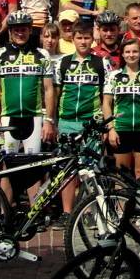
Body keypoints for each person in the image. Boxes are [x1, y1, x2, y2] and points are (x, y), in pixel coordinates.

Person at [52, 21, 110, 221]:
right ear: (73, 38)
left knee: (90, 169)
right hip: (66, 122)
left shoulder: (101, 63)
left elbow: (105, 96)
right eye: (79, 38)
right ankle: (67, 212)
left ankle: (88, 211)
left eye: (86, 38)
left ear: (92, 40)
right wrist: (53, 121)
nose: (83, 42)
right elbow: (56, 94)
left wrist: (104, 125)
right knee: (67, 170)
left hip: (90, 123)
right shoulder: (63, 62)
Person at [0, 10, 56, 155]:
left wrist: (48, 120)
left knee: (32, 162)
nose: (20, 33)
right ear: (10, 31)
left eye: (23, 29)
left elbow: (49, 89)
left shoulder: (42, 54)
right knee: (8, 161)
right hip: (8, 117)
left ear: (30, 30)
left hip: (34, 117)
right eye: (16, 30)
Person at [103, 38, 140, 185]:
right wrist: (111, 129)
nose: (131, 55)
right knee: (122, 175)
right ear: (122, 54)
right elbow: (106, 104)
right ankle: (121, 201)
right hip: (121, 129)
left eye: (135, 51)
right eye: (127, 52)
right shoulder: (113, 76)